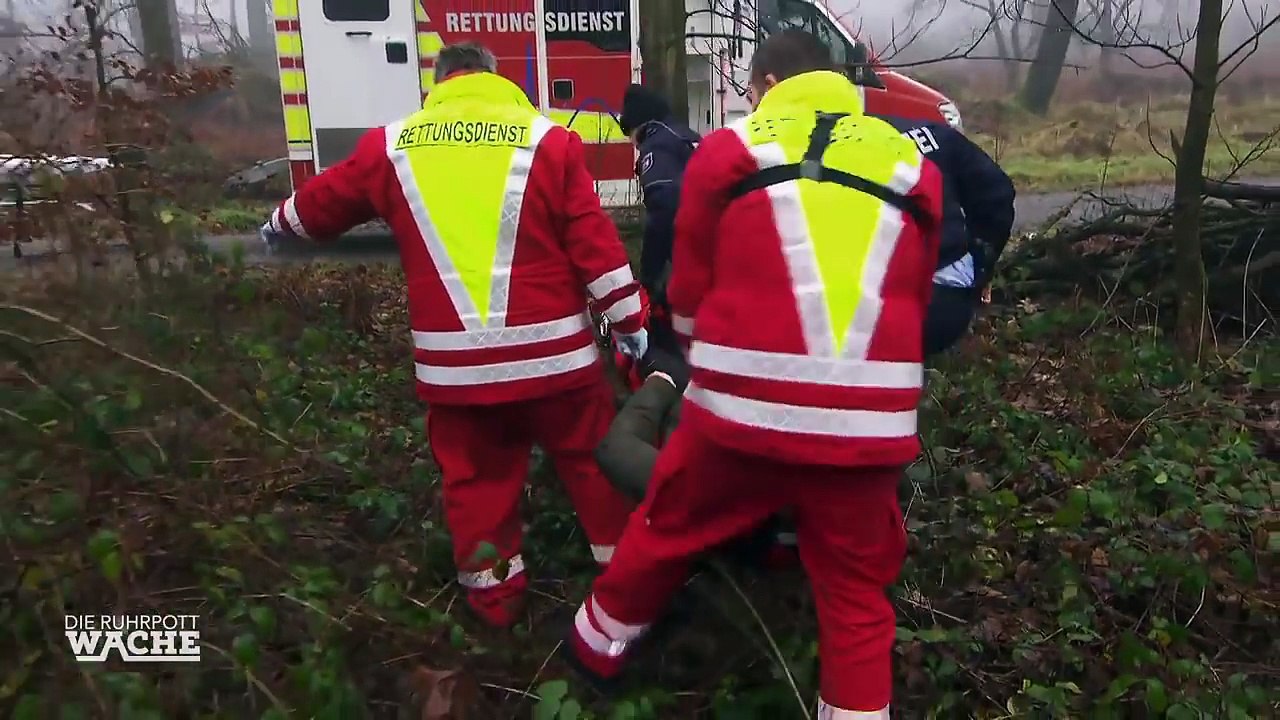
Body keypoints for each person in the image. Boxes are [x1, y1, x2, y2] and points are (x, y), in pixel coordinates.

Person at [566, 30, 944, 719]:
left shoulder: (727, 151)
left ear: (767, 84)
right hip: (870, 424)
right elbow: (914, 291)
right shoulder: (910, 163)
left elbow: (687, 287)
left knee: (669, 523)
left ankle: (594, 653)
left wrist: (687, 359)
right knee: (857, 595)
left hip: (741, 415)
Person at [259, 42, 648, 629]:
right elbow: (597, 251)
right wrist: (633, 327)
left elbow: (316, 207)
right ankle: (625, 597)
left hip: (456, 377)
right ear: (493, 80)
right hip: (558, 368)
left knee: (478, 485)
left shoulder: (390, 147)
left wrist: (273, 228)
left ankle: (497, 613)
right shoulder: (549, 141)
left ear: (438, 84)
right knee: (594, 468)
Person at [874, 114, 1016, 356]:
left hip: (857, 300)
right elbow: (997, 195)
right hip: (945, 295)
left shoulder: (811, 149)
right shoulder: (933, 132)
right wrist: (983, 265)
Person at [617, 83, 701, 351]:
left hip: (691, 258)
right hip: (718, 251)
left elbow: (663, 208)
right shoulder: (686, 136)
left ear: (637, 127)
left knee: (671, 337)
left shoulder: (655, 146)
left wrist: (649, 275)